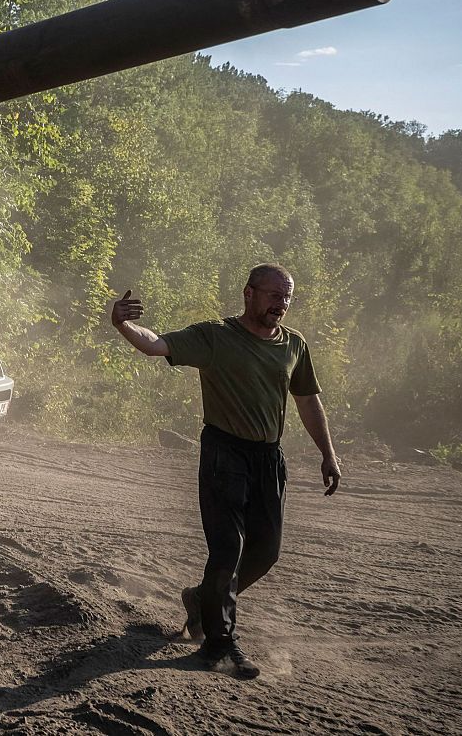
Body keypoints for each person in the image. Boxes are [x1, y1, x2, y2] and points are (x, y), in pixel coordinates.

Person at [110, 263, 342, 679]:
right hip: (225, 454)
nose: (281, 304)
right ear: (249, 293)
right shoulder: (216, 336)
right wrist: (123, 325)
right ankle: (220, 643)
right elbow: (156, 344)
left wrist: (328, 453)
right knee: (227, 548)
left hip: (269, 459)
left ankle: (201, 600)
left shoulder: (294, 345)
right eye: (274, 295)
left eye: (287, 297)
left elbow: (308, 400)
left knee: (266, 551)